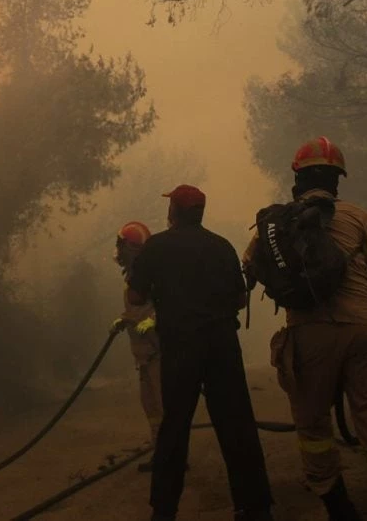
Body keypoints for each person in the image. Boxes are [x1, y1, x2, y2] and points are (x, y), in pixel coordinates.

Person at [244, 137, 367, 521]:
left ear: (297, 179)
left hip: (308, 335)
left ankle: (337, 505)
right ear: (337, 180)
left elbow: (252, 271)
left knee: (313, 424)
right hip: (365, 330)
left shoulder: (275, 225)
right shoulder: (359, 218)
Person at [127, 184, 273, 521]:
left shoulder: (157, 247)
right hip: (222, 344)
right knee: (236, 424)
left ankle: (163, 511)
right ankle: (256, 508)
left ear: (173, 212)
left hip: (180, 348)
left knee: (174, 428)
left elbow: (135, 298)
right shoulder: (221, 246)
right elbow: (239, 300)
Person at [112, 220, 162, 472]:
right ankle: (160, 454)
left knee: (164, 408)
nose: (118, 251)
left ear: (132, 249)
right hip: (144, 355)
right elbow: (136, 309)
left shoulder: (152, 275)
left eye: (122, 246)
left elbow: (163, 309)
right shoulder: (134, 276)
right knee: (151, 407)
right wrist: (123, 320)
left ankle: (172, 458)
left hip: (159, 353)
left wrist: (148, 324)